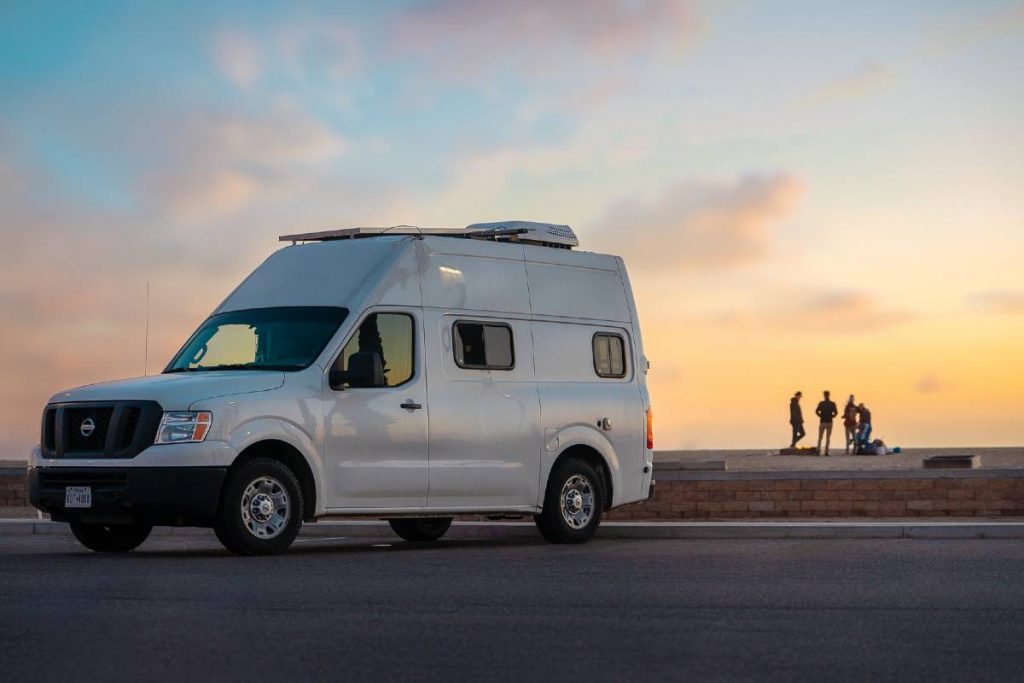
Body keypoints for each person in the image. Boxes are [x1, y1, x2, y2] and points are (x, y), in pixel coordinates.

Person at [815, 390, 839, 456]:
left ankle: (818, 450)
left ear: (824, 395)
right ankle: (826, 451)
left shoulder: (821, 403)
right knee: (828, 438)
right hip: (829, 422)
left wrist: (820, 416)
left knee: (820, 437)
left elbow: (816, 411)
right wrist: (832, 416)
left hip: (822, 422)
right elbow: (836, 413)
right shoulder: (832, 403)